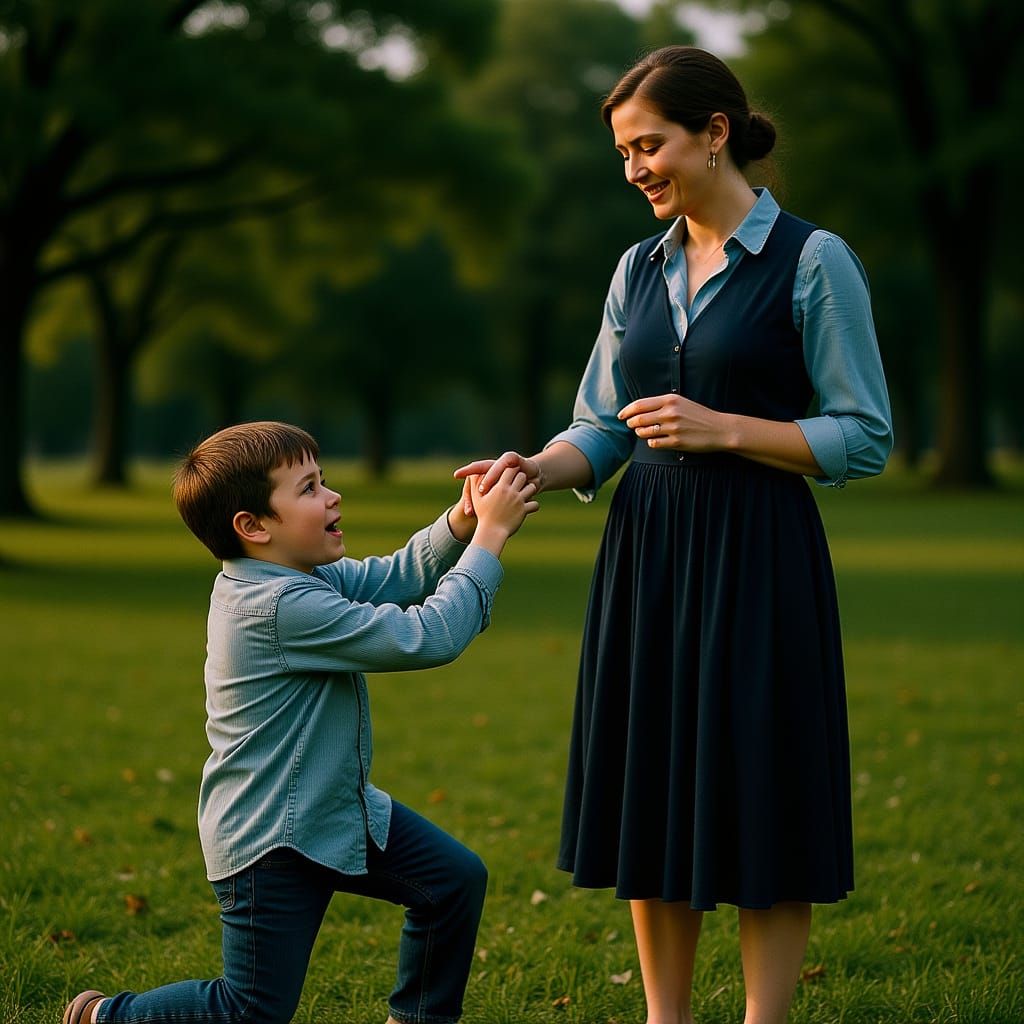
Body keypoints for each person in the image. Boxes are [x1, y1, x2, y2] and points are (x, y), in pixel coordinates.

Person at [456, 45, 892, 1024]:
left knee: (763, 788)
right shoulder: (635, 268)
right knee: (655, 791)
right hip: (647, 553)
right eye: (621, 153)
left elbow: (864, 435)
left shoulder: (814, 262)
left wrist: (726, 428)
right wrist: (531, 465)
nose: (634, 169)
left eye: (646, 145)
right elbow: (602, 424)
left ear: (714, 133)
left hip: (761, 551)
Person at [63, 420, 539, 1024]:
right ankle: (107, 1017)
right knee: (252, 1009)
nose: (332, 495)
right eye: (310, 488)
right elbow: (426, 637)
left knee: (452, 883)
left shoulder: (293, 576)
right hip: (271, 840)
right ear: (254, 526)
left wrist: (460, 524)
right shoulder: (279, 605)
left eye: (324, 480)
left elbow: (394, 577)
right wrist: (491, 539)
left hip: (336, 811)